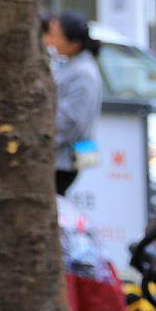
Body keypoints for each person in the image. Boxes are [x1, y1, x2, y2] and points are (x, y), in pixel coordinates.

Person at [45, 11, 103, 196]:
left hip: (62, 160)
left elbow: (70, 120)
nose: (50, 41)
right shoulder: (67, 64)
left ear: (74, 43)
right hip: (57, 157)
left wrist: (42, 141)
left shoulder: (82, 72)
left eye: (55, 35)